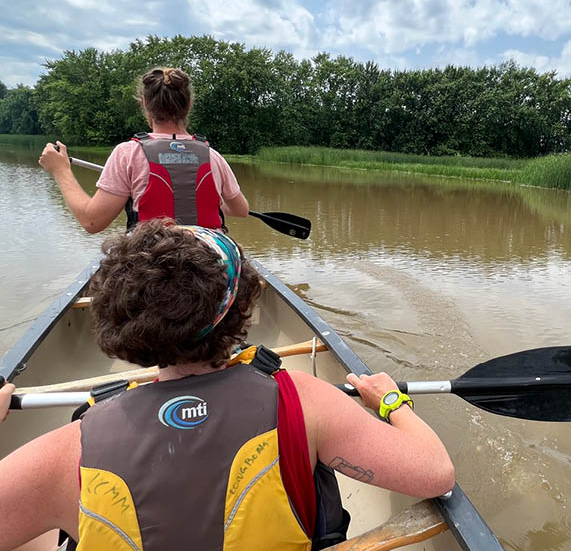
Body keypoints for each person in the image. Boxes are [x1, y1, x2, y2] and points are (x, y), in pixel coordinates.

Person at [0, 220, 454, 550]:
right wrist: (392, 401)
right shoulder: (303, 399)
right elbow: (435, 473)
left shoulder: (65, 452)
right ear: (240, 315)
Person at [38, 67, 249, 233]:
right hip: (208, 268)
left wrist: (61, 170)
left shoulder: (127, 154)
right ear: (189, 104)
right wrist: (210, 201)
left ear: (145, 103)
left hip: (151, 268)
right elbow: (241, 210)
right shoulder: (213, 156)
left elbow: (92, 222)